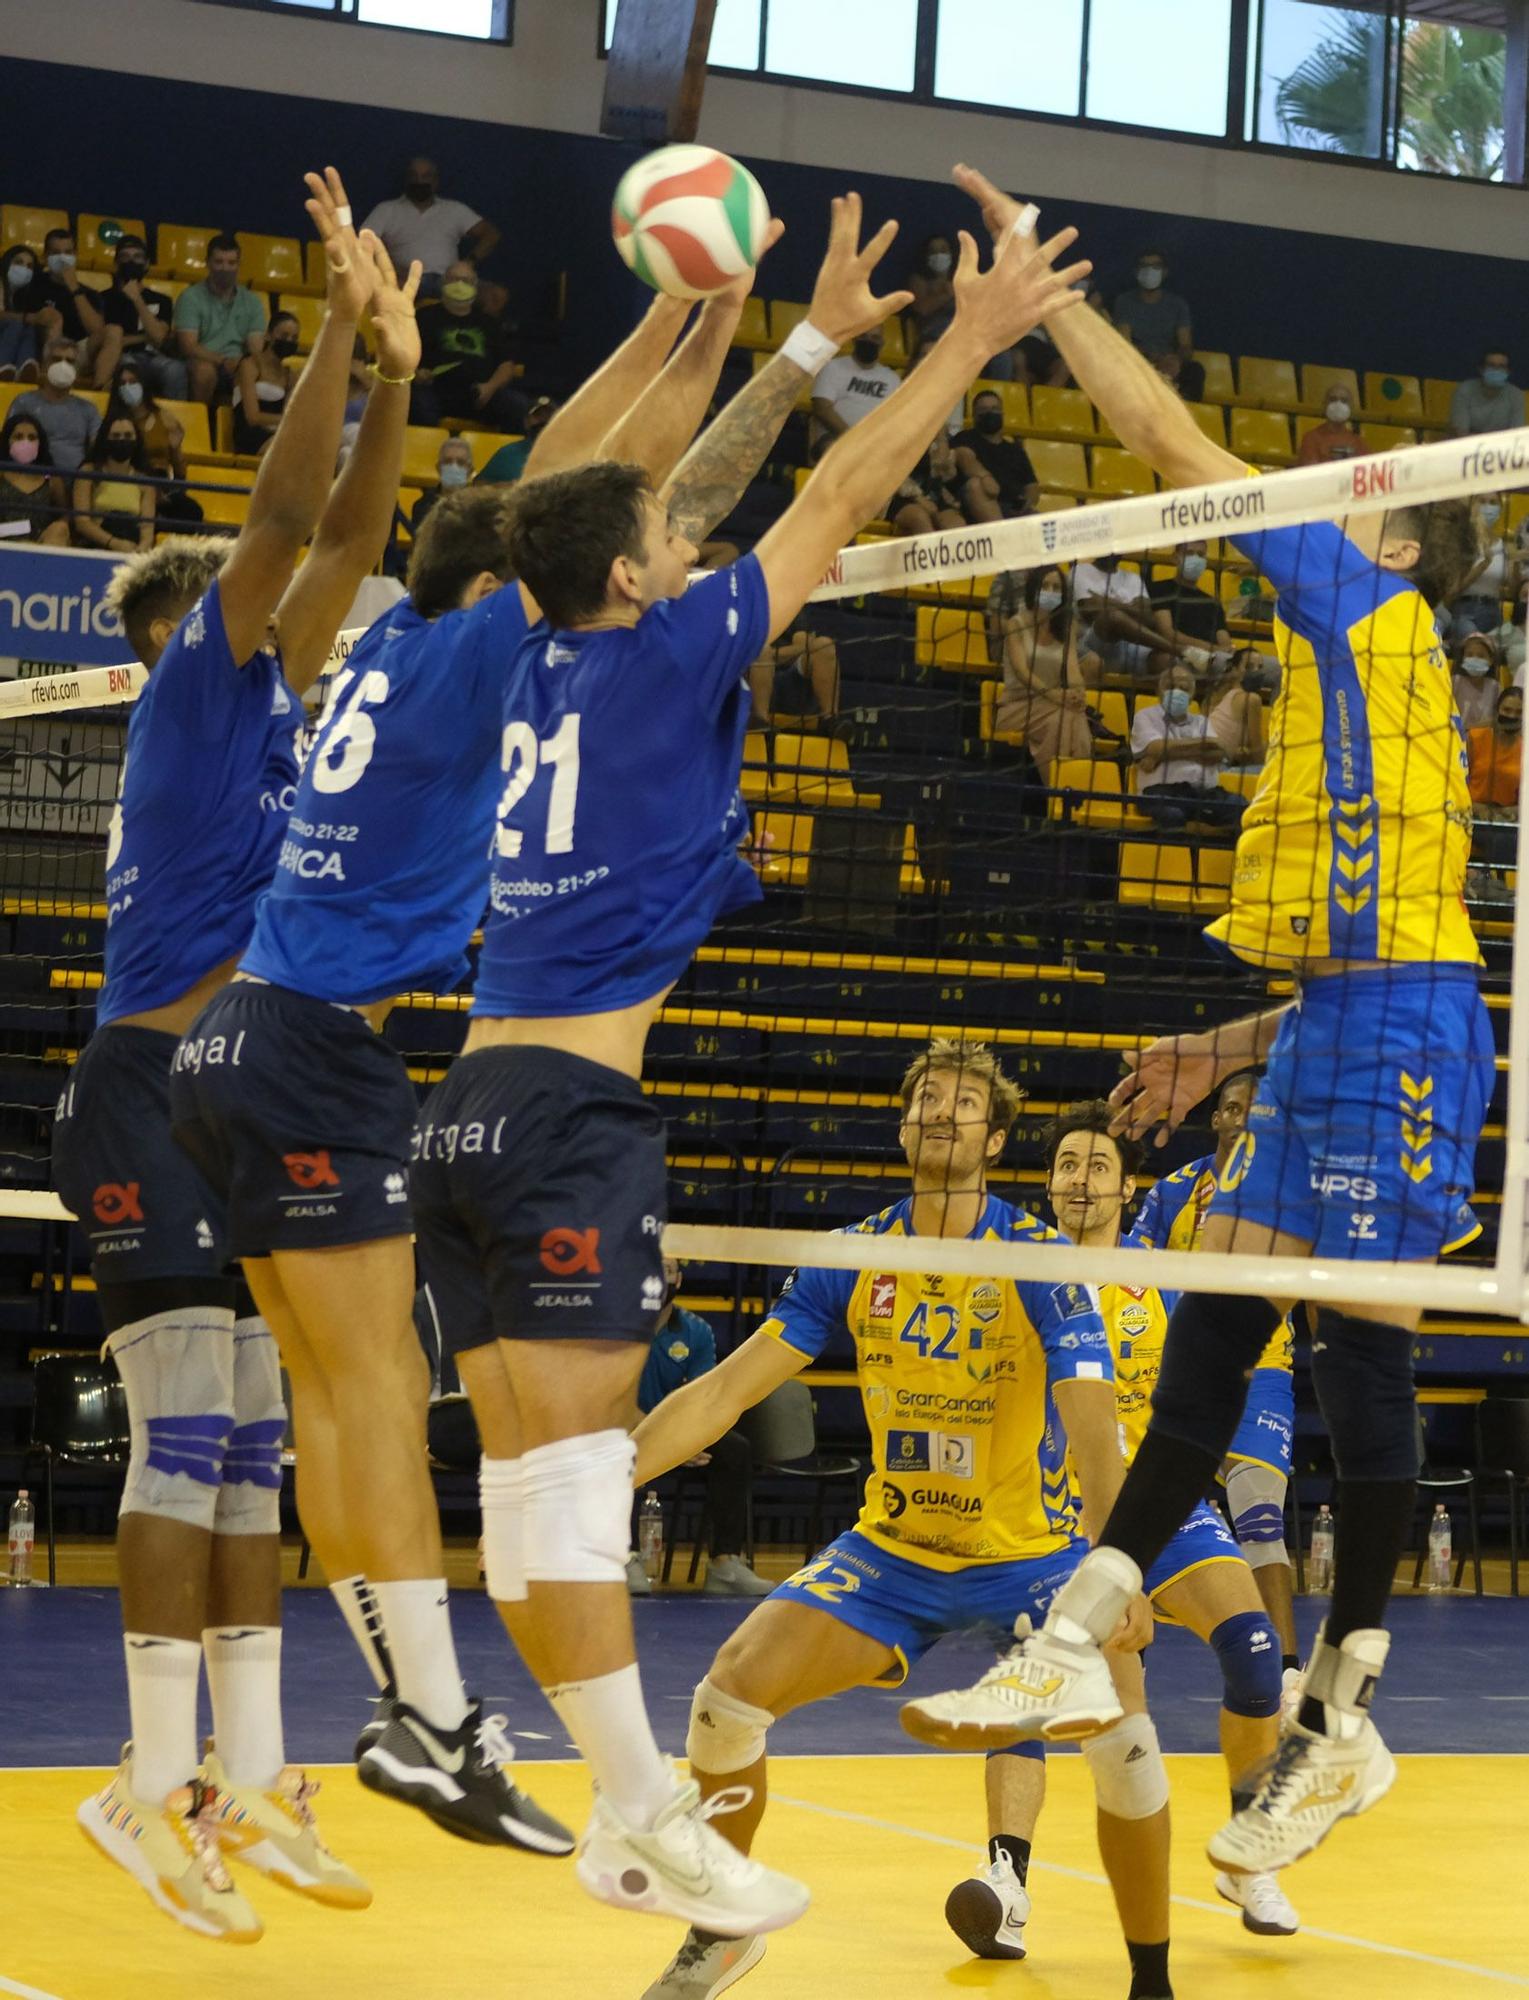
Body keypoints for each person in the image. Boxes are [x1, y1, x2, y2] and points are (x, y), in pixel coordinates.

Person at [403, 199, 1087, 1936]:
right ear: (636, 579)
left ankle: (543, 1763)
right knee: (565, 1485)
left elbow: (647, 498)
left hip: (464, 1110)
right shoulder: (660, 657)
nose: (683, 545)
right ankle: (637, 1816)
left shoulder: (529, 652)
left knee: (527, 1491)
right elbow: (832, 500)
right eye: (663, 544)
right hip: (564, 1119)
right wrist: (960, 335)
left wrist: (791, 344)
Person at [917, 163, 1495, 1877]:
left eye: (1353, 491)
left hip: (1401, 1040)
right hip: (1335, 1021)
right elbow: (1365, 924)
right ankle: (1079, 1624)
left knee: (1357, 1354)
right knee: (1216, 1329)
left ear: (1391, 529)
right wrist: (1223, 1049)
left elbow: (1175, 455)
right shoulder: (1354, 667)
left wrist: (1043, 295)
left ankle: (1344, 1706)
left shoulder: (1367, 606)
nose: (1325, 494)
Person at [168, 264, 774, 1869]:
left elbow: (551, 487)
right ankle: (431, 1723)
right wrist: (698, 343)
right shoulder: (482, 648)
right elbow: (580, 495)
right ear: (506, 580)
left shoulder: (378, 640)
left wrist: (682, 327)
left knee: (328, 1401)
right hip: (311, 1055)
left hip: (227, 1045)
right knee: (374, 1392)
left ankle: (412, 1708)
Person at [52, 171, 412, 1943]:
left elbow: (345, 547)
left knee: (258, 1449)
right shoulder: (200, 682)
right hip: (147, 1086)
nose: (295, 612)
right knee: (185, 1436)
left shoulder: (283, 719)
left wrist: (403, 374)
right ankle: (141, 1775)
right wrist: (342, 320)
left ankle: (248, 1781)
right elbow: (290, 521)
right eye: (259, 605)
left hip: (241, 1097)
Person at [630, 1042, 1173, 2000]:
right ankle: (721, 1932)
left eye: (965, 1103)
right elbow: (722, 1393)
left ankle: (1151, 1978)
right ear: (902, 1123)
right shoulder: (856, 1255)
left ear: (996, 1138)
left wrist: (1118, 1559)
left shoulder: (1038, 1260)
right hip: (894, 1551)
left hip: (1037, 1557)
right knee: (726, 1700)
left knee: (1123, 1749)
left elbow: (1092, 1417)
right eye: (927, 1097)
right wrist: (603, 1481)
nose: (941, 1112)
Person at [1038, 1100, 1297, 1938]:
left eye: (1099, 1167)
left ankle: (1248, 1859)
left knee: (1256, 1653)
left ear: (1126, 1187)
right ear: (1048, 1183)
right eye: (1068, 1165)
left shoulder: (1165, 1279)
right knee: (1117, 1719)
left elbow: (1222, 1369)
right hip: (1052, 1522)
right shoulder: (1011, 1268)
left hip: (1161, 1511)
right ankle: (1012, 1875)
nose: (1082, 1181)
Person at [1128, 1073, 1301, 1675]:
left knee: (1259, 1516)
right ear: (1218, 1120)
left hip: (1262, 1365)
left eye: (1259, 1110)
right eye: (1233, 1108)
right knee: (1141, 1512)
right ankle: (1128, 1657)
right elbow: (1128, 1270)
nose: (1246, 1118)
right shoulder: (1176, 1193)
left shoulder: (1295, 1196)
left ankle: (1286, 1676)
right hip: (1174, 1370)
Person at [630, 1258, 771, 1599]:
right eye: (654, 1268)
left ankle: (725, 1563)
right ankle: (625, 1556)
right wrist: (670, 1444)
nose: (661, 1278)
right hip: (625, 1425)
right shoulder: (616, 1328)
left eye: (668, 1270)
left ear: (679, 1278)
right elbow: (611, 1400)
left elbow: (702, 1402)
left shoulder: (696, 1332)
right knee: (619, 1447)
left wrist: (686, 1440)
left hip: (681, 1430)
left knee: (734, 1449)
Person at [994, 565, 1098, 765]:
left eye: (1057, 587)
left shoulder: (1066, 627)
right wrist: (1056, 695)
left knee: (1071, 715)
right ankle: (1065, 787)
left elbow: (1072, 669)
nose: (1051, 591)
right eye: (1045, 586)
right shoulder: (1015, 625)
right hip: (1018, 706)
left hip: (1055, 707)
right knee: (1067, 718)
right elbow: (1022, 672)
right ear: (1033, 590)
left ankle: (1064, 786)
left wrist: (1078, 693)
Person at [1129, 660, 1244, 831]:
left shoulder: (1201, 721)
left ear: (1192, 694)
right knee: (1172, 814)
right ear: (1158, 691)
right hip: (1160, 791)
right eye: (1170, 686)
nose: (1177, 692)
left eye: (1184, 688)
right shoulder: (1145, 716)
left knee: (1242, 809)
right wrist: (1203, 745)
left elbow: (1218, 753)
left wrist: (1163, 754)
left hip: (1204, 793)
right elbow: (1156, 748)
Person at [362, 155, 500, 296]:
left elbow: (491, 234)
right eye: (413, 176)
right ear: (406, 179)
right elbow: (360, 245)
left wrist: (469, 262)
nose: (419, 181)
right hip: (405, 280)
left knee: (496, 295)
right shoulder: (387, 210)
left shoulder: (454, 209)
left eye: (426, 176)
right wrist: (391, 270)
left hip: (450, 281)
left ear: (436, 181)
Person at [412, 261, 522, 429]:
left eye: (467, 281)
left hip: (480, 392)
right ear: (443, 283)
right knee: (417, 404)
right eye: (454, 279)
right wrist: (416, 373)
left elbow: (506, 365)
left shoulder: (489, 323)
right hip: (434, 389)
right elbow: (404, 354)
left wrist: (490, 387)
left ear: (475, 287)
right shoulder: (423, 317)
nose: (460, 285)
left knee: (518, 406)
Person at [106, 360, 204, 528]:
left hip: (161, 483)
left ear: (144, 385)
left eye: (133, 382)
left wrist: (175, 449)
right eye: (123, 383)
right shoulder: (113, 422)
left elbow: (180, 471)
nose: (128, 387)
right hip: (127, 482)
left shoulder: (165, 418)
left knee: (191, 510)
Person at [174, 237, 268, 406]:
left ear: (239, 265)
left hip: (238, 363)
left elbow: (256, 348)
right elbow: (188, 346)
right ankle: (202, 425)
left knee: (260, 372)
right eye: (219, 262)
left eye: (231, 263)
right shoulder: (190, 297)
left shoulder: (253, 302)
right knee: (205, 372)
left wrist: (242, 365)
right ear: (207, 263)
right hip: (202, 360)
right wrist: (222, 361)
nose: (225, 268)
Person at [97, 234, 189, 402]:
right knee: (128, 364)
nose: (131, 262)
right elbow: (110, 340)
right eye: (125, 257)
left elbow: (159, 337)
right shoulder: (103, 298)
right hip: (122, 356)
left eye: (137, 257)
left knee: (176, 369)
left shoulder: (162, 300)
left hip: (155, 358)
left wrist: (137, 299)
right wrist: (143, 337)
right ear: (116, 264)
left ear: (146, 264)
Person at [29, 226, 119, 385]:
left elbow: (96, 330)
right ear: (45, 256)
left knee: (114, 331)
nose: (62, 258)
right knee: (53, 319)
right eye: (55, 253)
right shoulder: (34, 284)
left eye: (68, 252)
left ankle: (98, 393)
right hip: (41, 348)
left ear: (75, 255)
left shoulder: (88, 293)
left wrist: (74, 289)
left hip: (77, 352)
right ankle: (48, 380)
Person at [10, 335, 100, 471]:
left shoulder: (88, 409)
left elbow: (98, 448)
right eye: (56, 359)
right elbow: (9, 441)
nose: (63, 365)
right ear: (44, 365)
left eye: (70, 361)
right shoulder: (23, 402)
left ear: (77, 369)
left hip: (76, 481)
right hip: (32, 478)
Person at [71, 415, 156, 553]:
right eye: (116, 436)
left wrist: (140, 550)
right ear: (105, 439)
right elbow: (82, 522)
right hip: (96, 546)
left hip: (132, 546)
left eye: (128, 435)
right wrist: (113, 543)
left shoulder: (145, 481)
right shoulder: (88, 472)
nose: (122, 440)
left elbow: (147, 528)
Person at [952, 388, 1037, 523]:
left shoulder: (1015, 450)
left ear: (1002, 413)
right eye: (983, 409)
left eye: (994, 408)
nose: (990, 413)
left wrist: (1027, 502)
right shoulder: (965, 438)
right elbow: (966, 459)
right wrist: (985, 478)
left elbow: (1031, 485)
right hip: (978, 505)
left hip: (1013, 508)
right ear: (974, 414)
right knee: (975, 485)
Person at [810, 330, 902, 452]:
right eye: (863, 336)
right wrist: (852, 438)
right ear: (854, 339)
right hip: (835, 438)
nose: (869, 341)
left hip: (874, 443)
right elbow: (822, 408)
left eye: (875, 337)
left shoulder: (892, 379)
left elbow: (894, 419)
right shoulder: (833, 367)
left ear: (882, 343)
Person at [1447, 493, 1519, 644]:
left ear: (1500, 508)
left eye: (1493, 502)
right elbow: (1452, 590)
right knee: (1476, 644)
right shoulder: (1462, 541)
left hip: (1494, 612)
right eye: (1483, 501)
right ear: (1474, 506)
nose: (1488, 507)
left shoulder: (1504, 547)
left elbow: (1513, 592)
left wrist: (1516, 564)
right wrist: (1482, 566)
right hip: (1465, 611)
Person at [1145, 539, 1232, 658]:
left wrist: (1222, 652)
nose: (1196, 559)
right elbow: (1167, 633)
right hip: (1178, 654)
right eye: (1189, 553)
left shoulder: (1213, 602)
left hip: (1214, 658)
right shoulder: (1159, 589)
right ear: (1175, 557)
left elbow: (1224, 639)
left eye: (1201, 555)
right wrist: (1211, 649)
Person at [231, 311, 299, 455]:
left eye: (294, 338)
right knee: (283, 450)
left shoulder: (290, 375)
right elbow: (252, 417)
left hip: (277, 434)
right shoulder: (250, 364)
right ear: (268, 335)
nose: (289, 341)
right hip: (249, 434)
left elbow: (290, 416)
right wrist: (285, 421)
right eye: (284, 335)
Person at [1112, 251, 1192, 371]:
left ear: (1165, 272)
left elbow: (1185, 345)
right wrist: (1150, 358)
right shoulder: (1124, 301)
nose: (1149, 271)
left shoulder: (1178, 304)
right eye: (1144, 266)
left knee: (1195, 371)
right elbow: (1125, 343)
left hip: (1169, 364)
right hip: (1136, 362)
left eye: (1156, 266)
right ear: (1136, 272)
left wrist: (1177, 360)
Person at [746, 628, 840, 729]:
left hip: (792, 681)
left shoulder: (790, 614)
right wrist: (766, 655)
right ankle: (760, 723)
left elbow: (804, 646)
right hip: (754, 679)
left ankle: (830, 722)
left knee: (824, 645)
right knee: (760, 652)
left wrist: (770, 654)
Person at [0, 408, 69, 543]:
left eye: (32, 438)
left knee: (60, 529)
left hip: (40, 543)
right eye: (18, 437)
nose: (26, 442)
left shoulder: (51, 478)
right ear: (7, 440)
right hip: (4, 541)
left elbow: (65, 514)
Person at [889, 425, 965, 537]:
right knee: (920, 518)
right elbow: (892, 475)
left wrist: (941, 439)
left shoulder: (938, 434)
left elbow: (946, 473)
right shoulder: (892, 435)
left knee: (957, 525)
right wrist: (920, 499)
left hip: (933, 491)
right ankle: (930, 554)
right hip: (899, 496)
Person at [1201, 646, 1271, 767]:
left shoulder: (1217, 696)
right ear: (1235, 670)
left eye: (1260, 667)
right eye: (1249, 667)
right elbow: (1257, 753)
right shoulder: (1252, 699)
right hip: (1216, 768)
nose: (1256, 671)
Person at [1466, 683, 1522, 816]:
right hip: (1470, 812)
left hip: (1507, 818)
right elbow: (1458, 782)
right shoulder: (1475, 737)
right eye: (1507, 710)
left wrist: (1513, 810)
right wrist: (1474, 806)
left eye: (1519, 712)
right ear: (1497, 710)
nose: (1512, 716)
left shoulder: (1525, 749)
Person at [477, 396, 556, 483]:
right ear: (526, 422)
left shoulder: (568, 454)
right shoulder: (507, 453)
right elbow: (477, 486)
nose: (543, 421)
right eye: (538, 416)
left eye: (549, 417)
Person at [409, 435, 475, 538]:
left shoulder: (479, 507)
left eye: (461, 463)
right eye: (448, 462)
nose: (454, 467)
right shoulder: (422, 506)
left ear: (470, 470)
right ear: (438, 468)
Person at [1449, 347, 1524, 438]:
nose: (1496, 370)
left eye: (1501, 367)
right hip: (1467, 448)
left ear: (1508, 372)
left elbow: (1515, 436)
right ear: (1481, 369)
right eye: (1492, 365)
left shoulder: (1516, 395)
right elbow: (1461, 433)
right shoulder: (1465, 390)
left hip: (1502, 450)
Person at [903, 232, 956, 356]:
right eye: (933, 251)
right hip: (933, 333)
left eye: (943, 250)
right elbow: (922, 309)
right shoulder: (918, 280)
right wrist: (947, 294)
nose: (939, 255)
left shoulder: (962, 278)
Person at [0, 243, 47, 381]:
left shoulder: (21, 296)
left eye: (29, 266)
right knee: (17, 324)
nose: (23, 269)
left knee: (29, 328)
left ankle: (26, 368)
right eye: (18, 262)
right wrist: (27, 317)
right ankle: (2, 365)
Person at [1297, 389, 1368, 466]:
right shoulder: (1311, 438)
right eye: (1333, 399)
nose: (1338, 404)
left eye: (1344, 401)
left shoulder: (1358, 442)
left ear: (1351, 407)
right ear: (1324, 405)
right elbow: (1311, 473)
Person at [1453, 630, 1504, 732]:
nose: (1474, 659)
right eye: (1469, 655)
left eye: (1481, 656)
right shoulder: (1455, 682)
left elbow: (1498, 719)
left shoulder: (1495, 688)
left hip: (1484, 741)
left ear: (1490, 660)